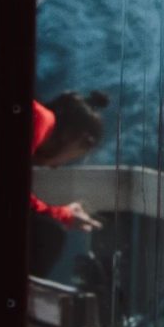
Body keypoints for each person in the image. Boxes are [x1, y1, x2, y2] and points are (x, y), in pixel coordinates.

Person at [30, 90, 107, 234]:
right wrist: (65, 215)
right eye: (72, 156)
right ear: (73, 137)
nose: (55, 166)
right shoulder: (40, 121)